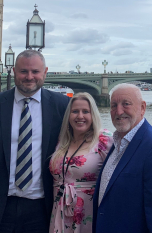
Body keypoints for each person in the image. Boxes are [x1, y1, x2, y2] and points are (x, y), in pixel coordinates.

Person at [0, 50, 70, 233]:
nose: (29, 77)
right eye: (23, 71)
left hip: (43, 208)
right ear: (13, 71)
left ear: (45, 72)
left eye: (35, 71)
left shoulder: (62, 106)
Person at [92, 84, 152, 233]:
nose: (119, 111)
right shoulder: (118, 141)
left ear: (142, 108)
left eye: (126, 104)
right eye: (114, 105)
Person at [49, 92, 112, 233]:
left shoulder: (103, 140)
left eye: (86, 111)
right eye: (75, 111)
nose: (80, 116)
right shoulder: (62, 141)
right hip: (59, 209)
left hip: (88, 212)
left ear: (93, 115)